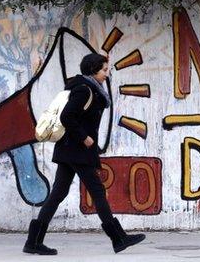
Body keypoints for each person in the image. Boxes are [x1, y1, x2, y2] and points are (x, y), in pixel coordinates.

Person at [23, 53, 146, 255]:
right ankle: (118, 238)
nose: (107, 74)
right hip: (77, 151)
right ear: (92, 70)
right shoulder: (84, 90)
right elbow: (67, 116)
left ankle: (33, 241)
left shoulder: (87, 88)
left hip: (68, 151)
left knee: (58, 194)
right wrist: (85, 138)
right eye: (104, 70)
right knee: (97, 191)